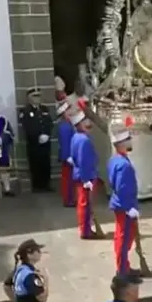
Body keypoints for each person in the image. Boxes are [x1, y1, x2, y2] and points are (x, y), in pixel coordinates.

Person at [108, 119, 139, 274]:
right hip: (125, 206)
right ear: (121, 144)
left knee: (124, 237)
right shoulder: (123, 165)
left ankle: (124, 265)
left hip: (123, 205)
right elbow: (122, 188)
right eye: (128, 139)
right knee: (124, 238)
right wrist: (129, 208)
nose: (130, 141)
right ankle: (122, 270)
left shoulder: (116, 160)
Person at [4, 238, 50, 302]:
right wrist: (46, 280)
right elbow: (42, 298)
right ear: (29, 254)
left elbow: (7, 286)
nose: (40, 253)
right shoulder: (30, 275)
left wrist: (17, 300)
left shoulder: (20, 270)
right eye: (37, 251)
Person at [69, 107, 100, 239]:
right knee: (85, 205)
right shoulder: (84, 140)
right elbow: (84, 162)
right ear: (79, 124)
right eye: (85, 120)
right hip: (85, 176)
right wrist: (87, 180)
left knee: (84, 204)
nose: (87, 122)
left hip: (80, 175)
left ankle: (85, 228)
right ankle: (85, 230)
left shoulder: (76, 137)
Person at [18, 88, 54, 192]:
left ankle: (46, 184)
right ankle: (37, 185)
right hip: (34, 142)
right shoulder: (25, 111)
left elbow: (49, 123)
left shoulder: (44, 109)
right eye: (34, 96)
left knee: (46, 162)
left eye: (38, 96)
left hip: (45, 141)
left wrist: (47, 134)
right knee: (35, 163)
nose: (37, 98)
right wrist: (37, 136)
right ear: (29, 98)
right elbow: (27, 126)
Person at [55, 101, 75, 207]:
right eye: (68, 111)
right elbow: (66, 144)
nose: (71, 112)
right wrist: (68, 156)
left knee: (69, 179)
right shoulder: (65, 126)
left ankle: (69, 199)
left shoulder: (66, 125)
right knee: (68, 180)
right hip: (68, 156)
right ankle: (68, 199)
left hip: (67, 156)